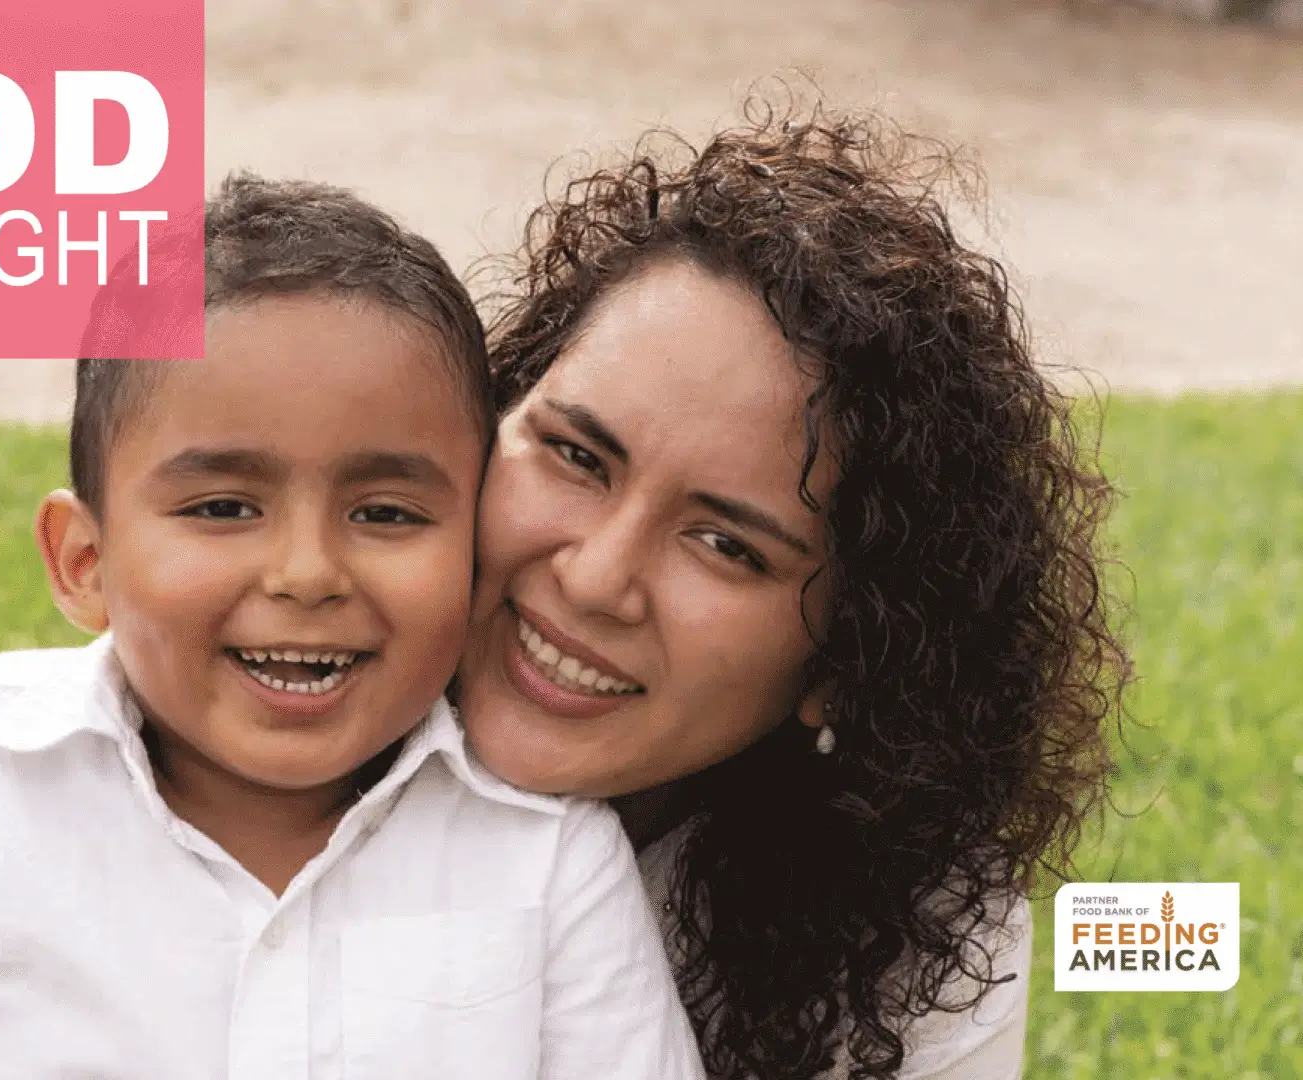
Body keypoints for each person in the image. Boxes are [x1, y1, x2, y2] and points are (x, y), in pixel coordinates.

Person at [0, 174, 704, 1080]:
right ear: (83, 563)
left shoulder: (547, 859)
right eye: (222, 507)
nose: (307, 572)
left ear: (473, 544)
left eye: (387, 514)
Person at [454, 105, 1131, 1079]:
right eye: (573, 454)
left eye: (726, 546)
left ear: (847, 658)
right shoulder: (237, 723)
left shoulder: (909, 921)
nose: (596, 579)